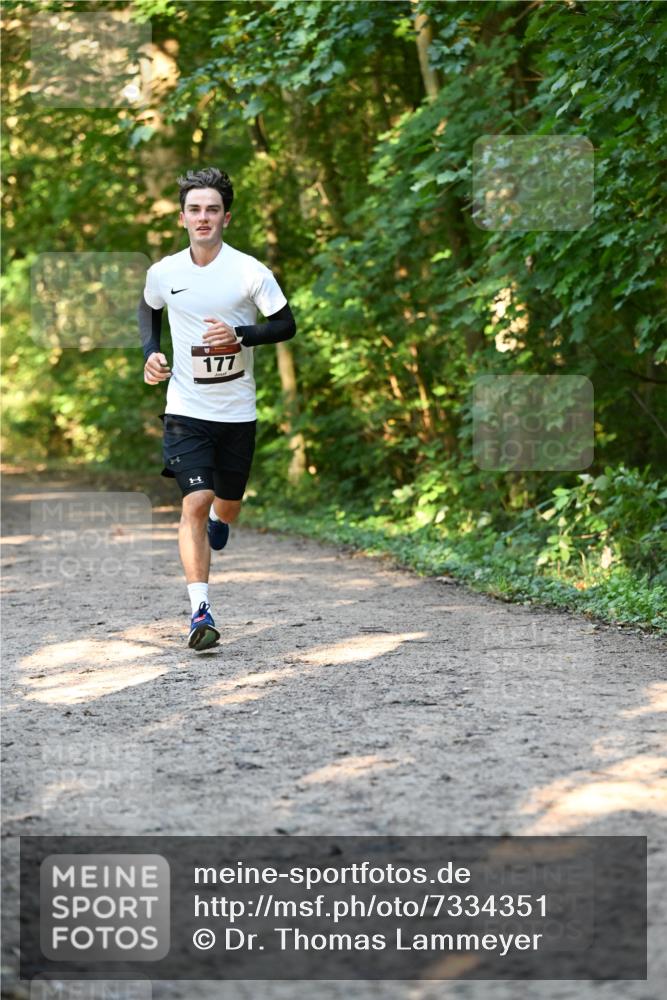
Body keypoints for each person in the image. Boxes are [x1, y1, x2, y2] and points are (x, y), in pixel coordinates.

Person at [138, 167, 296, 651]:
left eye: (211, 210)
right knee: (194, 501)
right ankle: (199, 611)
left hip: (237, 412)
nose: (202, 218)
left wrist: (241, 335)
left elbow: (285, 325)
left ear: (226, 216)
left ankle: (223, 523)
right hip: (186, 409)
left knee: (225, 506)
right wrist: (151, 351)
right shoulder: (164, 272)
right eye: (194, 210)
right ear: (182, 218)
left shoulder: (249, 271)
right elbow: (149, 308)